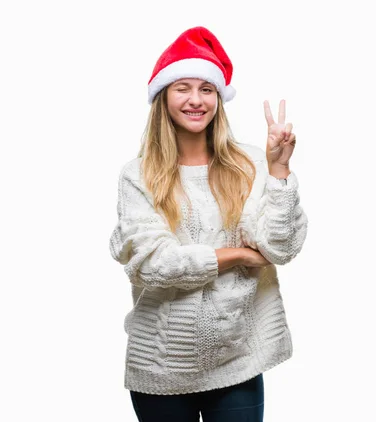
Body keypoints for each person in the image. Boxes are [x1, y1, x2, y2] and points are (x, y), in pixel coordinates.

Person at [108, 26, 308, 422]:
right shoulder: (138, 176)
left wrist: (279, 171)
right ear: (162, 97)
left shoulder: (250, 163)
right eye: (182, 87)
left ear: (219, 98)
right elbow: (154, 264)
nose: (196, 100)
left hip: (238, 356)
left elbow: (279, 249)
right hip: (162, 363)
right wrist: (235, 254)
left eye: (207, 89)